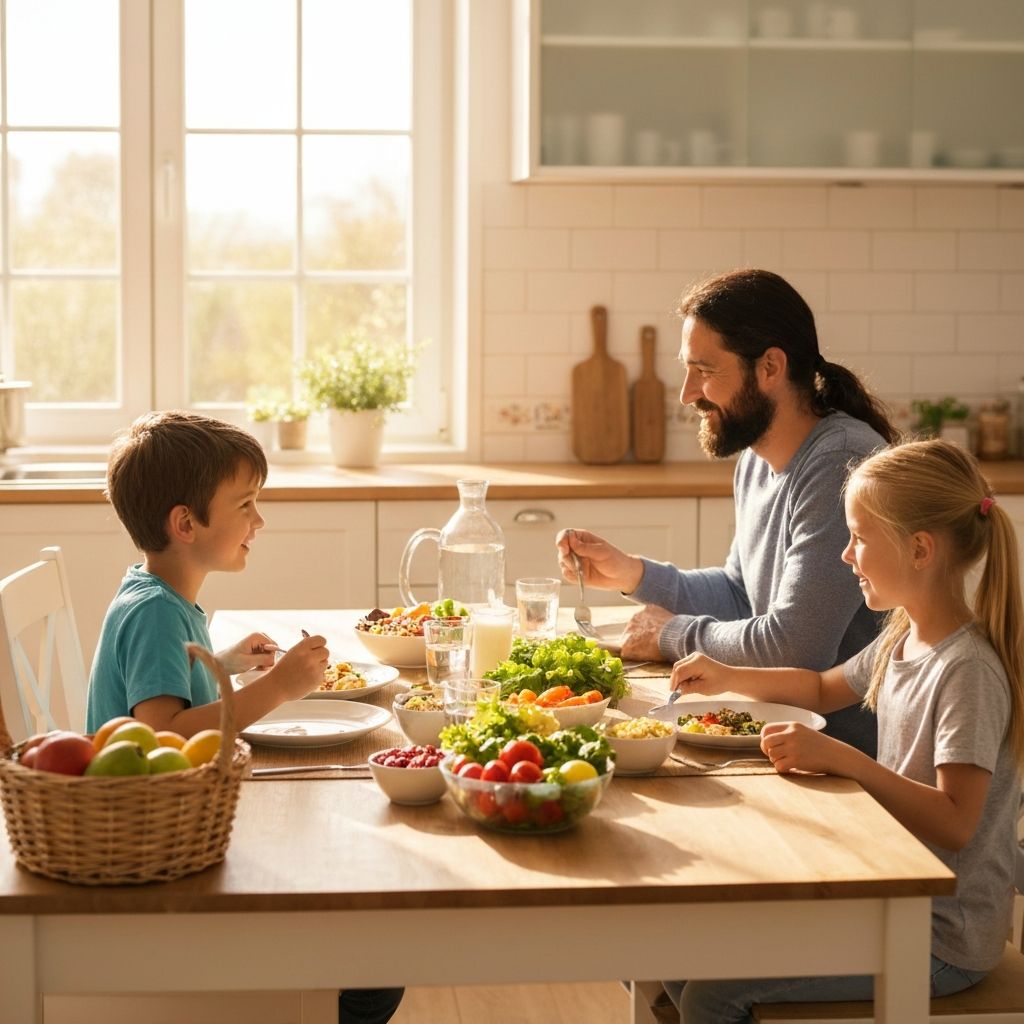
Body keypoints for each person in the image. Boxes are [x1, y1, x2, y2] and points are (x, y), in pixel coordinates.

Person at [661, 438, 1023, 1022]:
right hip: (891, 894)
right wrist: (730, 674)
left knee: (712, 992)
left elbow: (956, 822)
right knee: (682, 952)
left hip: (941, 938)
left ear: (920, 549)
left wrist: (845, 759)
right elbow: (822, 689)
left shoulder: (967, 670)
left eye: (858, 537)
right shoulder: (903, 633)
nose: (846, 556)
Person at [85, 411, 404, 1024]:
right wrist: (281, 686)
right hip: (160, 854)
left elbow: (160, 696)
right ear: (186, 523)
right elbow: (163, 736)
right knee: (376, 975)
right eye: (247, 505)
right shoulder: (155, 613)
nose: (259, 521)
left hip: (175, 835)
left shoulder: (158, 596)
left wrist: (223, 663)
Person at [557, 268, 899, 754]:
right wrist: (632, 574)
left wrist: (672, 635)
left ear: (770, 367)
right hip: (779, 732)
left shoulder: (839, 463)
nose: (687, 393)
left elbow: (796, 645)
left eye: (705, 370)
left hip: (846, 759)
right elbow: (741, 594)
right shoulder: (756, 459)